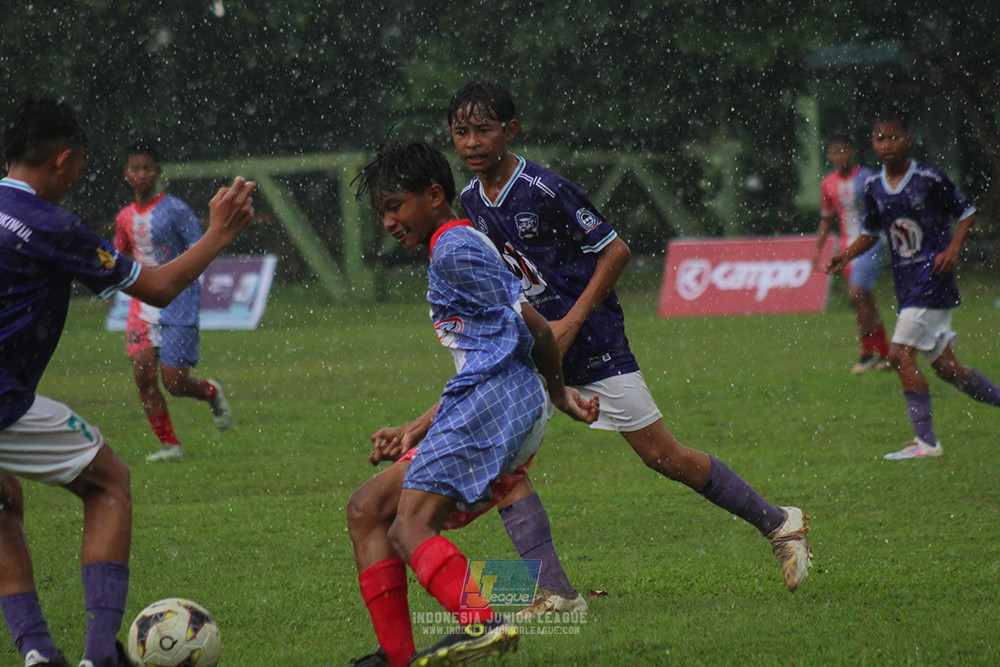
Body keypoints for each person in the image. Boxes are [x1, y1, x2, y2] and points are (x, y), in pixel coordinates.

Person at [445, 80, 812, 608]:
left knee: (662, 455)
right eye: (461, 132)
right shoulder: (470, 201)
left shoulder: (544, 189)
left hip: (592, 341)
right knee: (503, 464)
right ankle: (554, 592)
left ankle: (779, 523)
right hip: (535, 353)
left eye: (483, 130)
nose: (472, 142)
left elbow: (615, 251)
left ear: (511, 130)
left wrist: (570, 323)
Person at [0, 96, 256, 667]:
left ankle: (37, 652)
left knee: (3, 501)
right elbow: (158, 287)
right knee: (109, 482)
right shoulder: (51, 225)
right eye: (79, 165)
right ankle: (100, 656)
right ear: (63, 160)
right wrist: (218, 234)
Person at [345, 140, 598, 667]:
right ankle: (396, 657)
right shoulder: (451, 245)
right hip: (487, 399)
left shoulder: (455, 249)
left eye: (395, 206)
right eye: (382, 212)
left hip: (497, 402)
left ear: (435, 195)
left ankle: (481, 620)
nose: (388, 222)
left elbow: (537, 331)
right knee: (367, 509)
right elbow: (487, 351)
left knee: (410, 527)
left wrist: (558, 395)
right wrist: (420, 425)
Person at [825, 112, 1000, 460]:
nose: (886, 145)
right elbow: (870, 233)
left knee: (899, 355)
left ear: (909, 140)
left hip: (933, 279)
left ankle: (926, 443)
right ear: (872, 144)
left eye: (893, 137)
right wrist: (845, 255)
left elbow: (966, 213)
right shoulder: (874, 187)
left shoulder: (928, 178)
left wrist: (952, 249)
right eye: (880, 138)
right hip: (907, 285)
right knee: (947, 368)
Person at [114, 141, 232, 463]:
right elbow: (120, 254)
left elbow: (200, 247)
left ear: (158, 172)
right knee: (142, 374)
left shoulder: (176, 210)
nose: (141, 174)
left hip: (177, 300)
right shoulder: (124, 218)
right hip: (142, 303)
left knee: (175, 383)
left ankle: (211, 391)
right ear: (126, 174)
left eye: (147, 168)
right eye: (135, 169)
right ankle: (170, 446)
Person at [811, 135, 891, 374]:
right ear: (829, 156)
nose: (840, 156)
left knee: (857, 293)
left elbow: (883, 208)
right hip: (847, 248)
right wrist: (818, 251)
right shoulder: (828, 184)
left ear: (852, 152)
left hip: (869, 243)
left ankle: (867, 355)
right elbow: (827, 220)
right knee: (864, 302)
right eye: (835, 152)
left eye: (843, 151)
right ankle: (882, 354)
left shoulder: (867, 178)